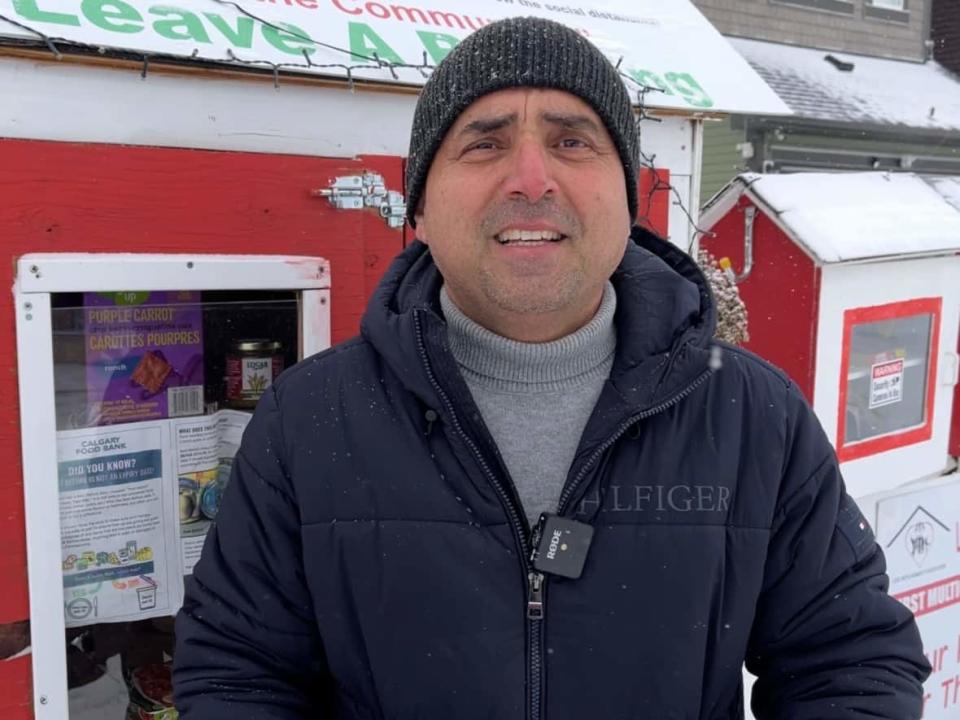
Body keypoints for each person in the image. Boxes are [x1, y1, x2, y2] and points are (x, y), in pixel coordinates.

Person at [173, 16, 930, 719]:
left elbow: (849, 659)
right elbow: (239, 672)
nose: (531, 178)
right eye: (484, 143)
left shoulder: (752, 414)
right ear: (421, 208)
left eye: (572, 142)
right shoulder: (310, 419)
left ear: (628, 198)